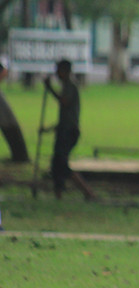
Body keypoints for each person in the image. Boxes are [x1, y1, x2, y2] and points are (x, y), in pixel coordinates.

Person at [43, 59, 95, 200]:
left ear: (65, 71)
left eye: (59, 70)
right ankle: (58, 195)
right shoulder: (66, 86)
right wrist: (48, 129)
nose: (56, 74)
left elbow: (64, 102)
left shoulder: (70, 86)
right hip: (63, 130)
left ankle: (87, 191)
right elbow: (63, 117)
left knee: (62, 163)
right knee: (56, 166)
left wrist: (50, 89)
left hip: (69, 132)